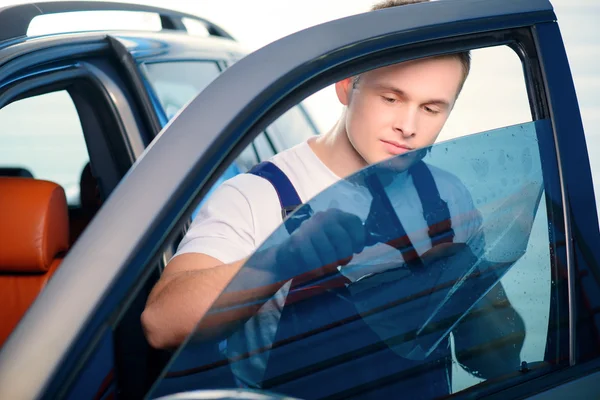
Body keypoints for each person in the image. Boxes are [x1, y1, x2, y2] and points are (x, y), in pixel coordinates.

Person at [142, 0, 525, 396]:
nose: (407, 127)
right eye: (390, 98)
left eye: (431, 108)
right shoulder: (260, 195)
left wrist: (470, 282)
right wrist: (281, 258)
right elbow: (161, 324)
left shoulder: (446, 195)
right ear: (347, 85)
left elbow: (496, 362)